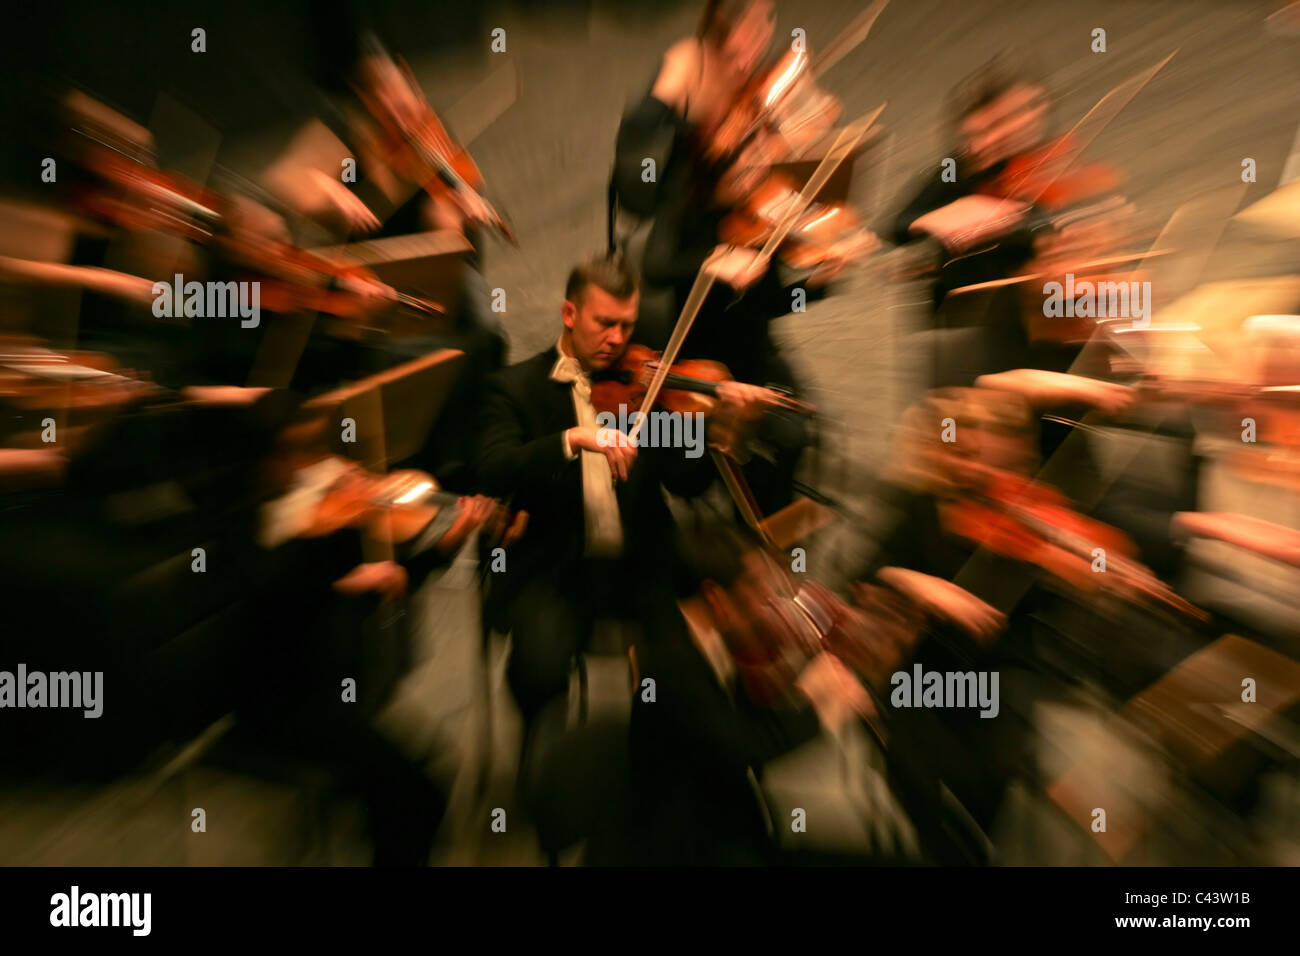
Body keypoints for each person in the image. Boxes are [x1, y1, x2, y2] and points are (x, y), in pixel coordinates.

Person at [474, 251, 775, 773]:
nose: (617, 339)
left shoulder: (647, 393)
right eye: (604, 323)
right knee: (538, 666)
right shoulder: (515, 390)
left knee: (690, 654)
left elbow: (687, 483)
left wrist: (728, 430)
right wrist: (572, 437)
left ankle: (672, 767)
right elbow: (493, 469)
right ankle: (541, 760)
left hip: (642, 561)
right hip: (555, 567)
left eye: (627, 325)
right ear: (570, 314)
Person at [611, 0, 869, 514]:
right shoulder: (691, 207)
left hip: (752, 347)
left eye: (762, 149)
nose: (758, 163)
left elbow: (775, 303)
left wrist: (820, 282)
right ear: (714, 159)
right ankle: (744, 505)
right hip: (702, 356)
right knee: (694, 468)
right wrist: (711, 262)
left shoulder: (760, 213)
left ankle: (767, 520)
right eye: (745, 153)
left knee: (799, 428)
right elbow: (656, 264)